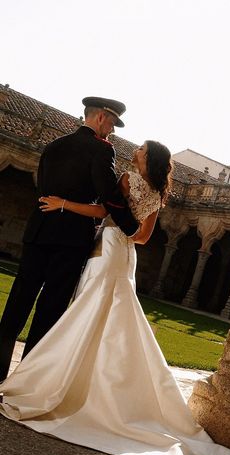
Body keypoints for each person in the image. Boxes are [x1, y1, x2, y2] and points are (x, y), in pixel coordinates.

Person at [0, 141, 230, 455]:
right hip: (126, 253)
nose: (139, 149)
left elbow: (104, 212)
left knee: (86, 311)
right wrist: (127, 223)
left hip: (108, 246)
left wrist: (64, 204)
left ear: (147, 157)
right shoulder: (158, 193)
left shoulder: (128, 178)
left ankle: (61, 382)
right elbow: (143, 238)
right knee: (107, 313)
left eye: (142, 148)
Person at [0, 97, 139, 382]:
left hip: (38, 230)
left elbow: (44, 188)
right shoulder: (101, 151)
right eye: (111, 123)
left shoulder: (54, 145)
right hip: (71, 238)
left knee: (17, 303)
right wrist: (130, 225)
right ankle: (26, 381)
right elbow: (107, 194)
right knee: (50, 309)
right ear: (101, 117)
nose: (111, 130)